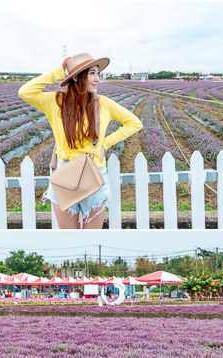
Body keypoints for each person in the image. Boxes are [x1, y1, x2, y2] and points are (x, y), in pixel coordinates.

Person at [19, 53, 142, 229]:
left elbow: (134, 123)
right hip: (65, 173)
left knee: (92, 240)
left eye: (98, 74)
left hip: (94, 173)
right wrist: (58, 72)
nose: (97, 79)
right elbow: (25, 92)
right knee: (70, 238)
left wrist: (105, 144)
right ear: (76, 77)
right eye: (92, 73)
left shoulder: (104, 103)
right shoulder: (56, 101)